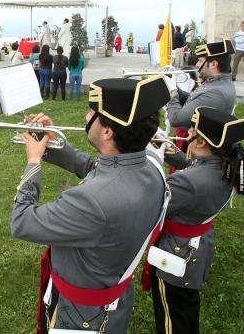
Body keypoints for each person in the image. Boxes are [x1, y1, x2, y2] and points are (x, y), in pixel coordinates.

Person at [11, 76, 171, 333]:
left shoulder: (90, 201)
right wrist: (50, 141)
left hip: (81, 316)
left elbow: (21, 222)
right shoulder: (151, 166)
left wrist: (33, 161)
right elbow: (96, 168)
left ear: (108, 131)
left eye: (93, 113)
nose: (87, 116)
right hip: (113, 300)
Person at [144, 107, 244, 334]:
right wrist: (167, 148)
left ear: (202, 142)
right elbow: (194, 167)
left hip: (177, 254)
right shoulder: (223, 164)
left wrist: (149, 158)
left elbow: (146, 200)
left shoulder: (190, 183)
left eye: (193, 130)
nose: (189, 132)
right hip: (196, 246)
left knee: (172, 320)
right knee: (184, 311)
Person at [166, 39, 237, 131]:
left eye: (200, 61)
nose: (197, 64)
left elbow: (175, 119)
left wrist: (173, 91)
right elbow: (195, 98)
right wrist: (174, 87)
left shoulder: (216, 93)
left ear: (213, 64)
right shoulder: (217, 83)